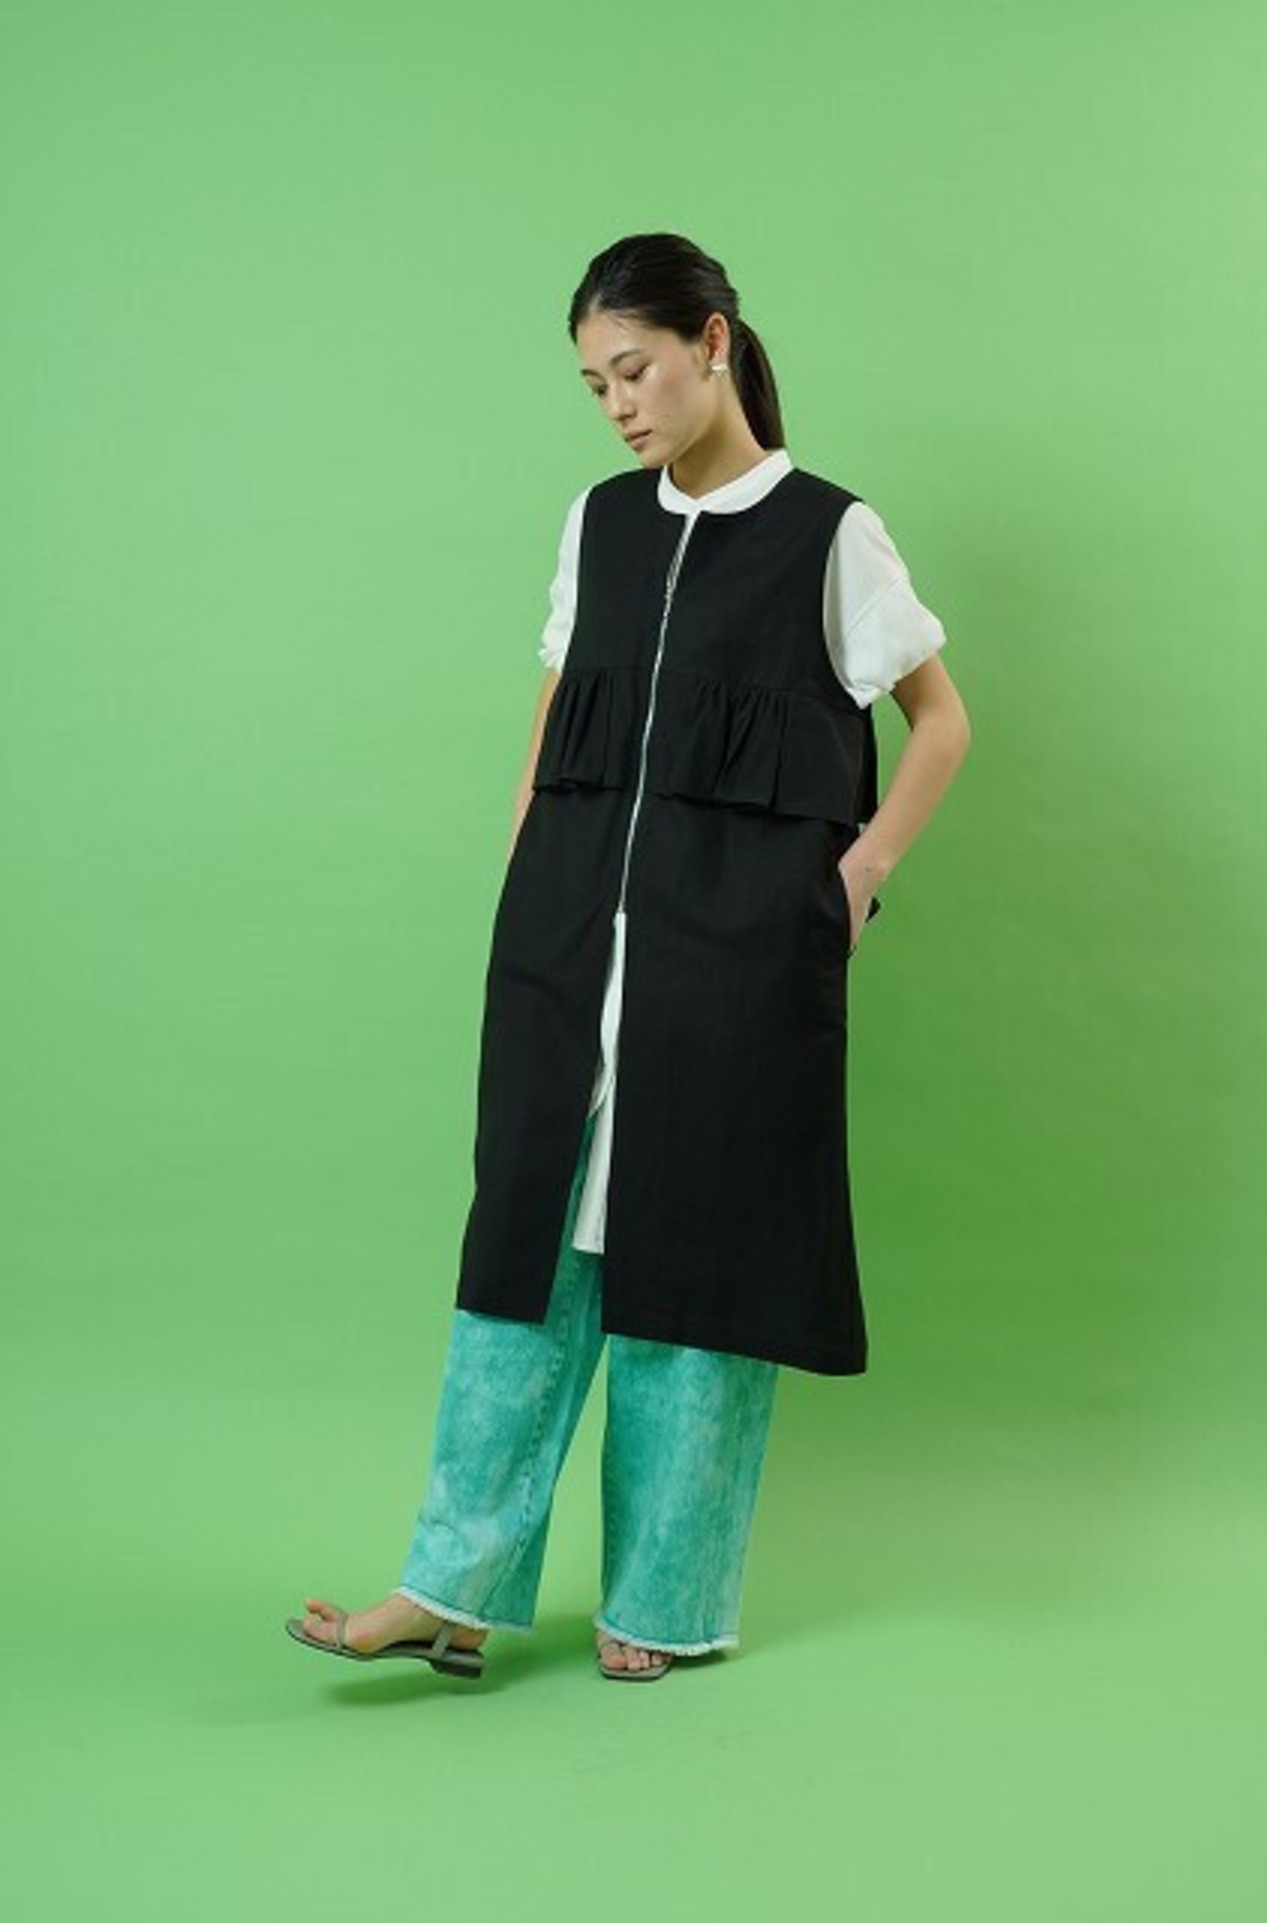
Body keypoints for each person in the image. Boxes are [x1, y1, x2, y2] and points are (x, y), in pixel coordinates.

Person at [286, 232, 970, 1682]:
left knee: (701, 1265)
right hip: (568, 946)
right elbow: (560, 703)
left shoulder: (830, 533)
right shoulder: (598, 521)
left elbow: (941, 720)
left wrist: (857, 877)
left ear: (713, 342)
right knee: (522, 1255)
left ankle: (661, 1605)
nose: (618, 406)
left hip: (737, 967)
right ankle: (451, 1586)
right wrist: (527, 866)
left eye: (637, 370)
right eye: (596, 384)